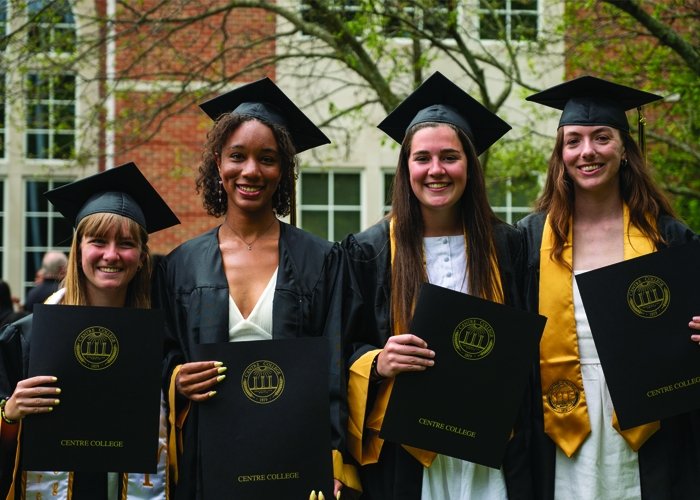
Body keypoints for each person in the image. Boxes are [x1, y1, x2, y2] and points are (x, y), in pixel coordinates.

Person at [155, 77, 359, 499]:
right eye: (237, 156)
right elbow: (161, 350)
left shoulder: (321, 260)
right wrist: (176, 377)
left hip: (295, 456)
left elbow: (336, 364)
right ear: (217, 163)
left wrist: (333, 457)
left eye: (267, 159)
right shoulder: (182, 265)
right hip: (208, 456)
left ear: (283, 169)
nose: (250, 171)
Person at [342, 71, 531, 499]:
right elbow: (339, 346)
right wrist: (377, 361)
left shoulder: (509, 246)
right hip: (406, 453)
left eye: (450, 157)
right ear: (405, 167)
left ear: (470, 165)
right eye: (422, 158)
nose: (436, 170)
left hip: (492, 450)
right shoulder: (369, 251)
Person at [518, 75, 700, 499]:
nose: (588, 152)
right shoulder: (528, 239)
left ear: (624, 147)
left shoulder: (669, 238)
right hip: (555, 413)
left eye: (602, 137)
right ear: (560, 154)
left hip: (651, 418)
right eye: (574, 141)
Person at [0, 162, 180, 499]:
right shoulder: (26, 338)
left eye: (126, 243)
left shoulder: (163, 342)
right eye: (98, 241)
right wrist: (9, 415)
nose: (111, 255)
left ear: (141, 256)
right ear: (79, 249)